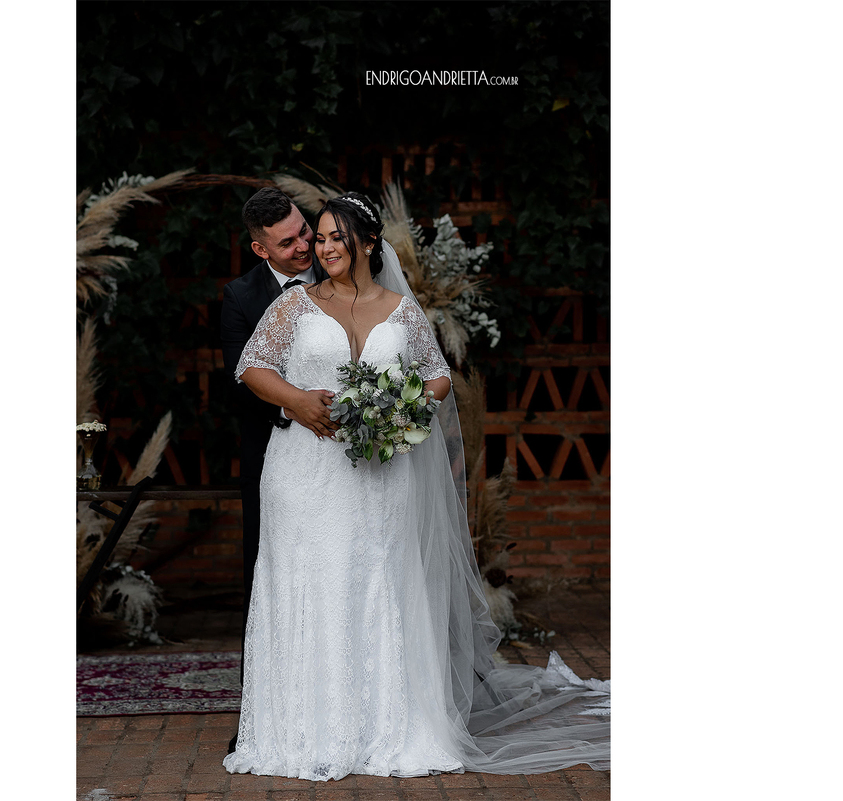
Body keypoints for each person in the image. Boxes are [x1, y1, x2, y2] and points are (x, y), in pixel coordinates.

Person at [222, 192, 610, 781]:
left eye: (334, 237)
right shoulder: (294, 305)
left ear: (367, 243)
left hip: (380, 476)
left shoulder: (401, 310)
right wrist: (298, 399)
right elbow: (251, 367)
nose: (322, 248)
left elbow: (436, 377)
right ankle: (303, 729)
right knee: (310, 583)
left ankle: (387, 726)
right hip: (304, 471)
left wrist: (399, 408)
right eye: (318, 238)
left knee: (379, 581)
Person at [219, 187, 329, 752]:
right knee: (269, 580)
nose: (305, 246)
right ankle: (261, 716)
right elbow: (238, 385)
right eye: (288, 243)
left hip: (347, 456)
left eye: (304, 231)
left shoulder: (344, 272)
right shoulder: (240, 296)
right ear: (261, 249)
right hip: (277, 456)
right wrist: (294, 406)